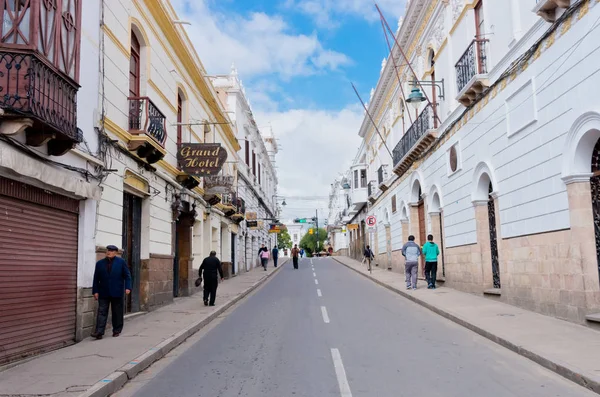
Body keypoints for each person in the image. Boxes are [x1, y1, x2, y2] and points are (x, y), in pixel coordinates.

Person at [91, 245, 132, 339]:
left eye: (112, 251)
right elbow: (96, 278)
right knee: (102, 311)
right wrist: (95, 291)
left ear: (116, 253)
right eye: (108, 250)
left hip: (117, 291)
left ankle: (117, 330)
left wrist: (128, 287)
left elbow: (127, 275)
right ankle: (99, 332)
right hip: (103, 291)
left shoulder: (121, 262)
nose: (109, 252)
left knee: (117, 312)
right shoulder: (100, 263)